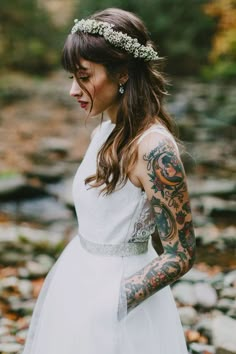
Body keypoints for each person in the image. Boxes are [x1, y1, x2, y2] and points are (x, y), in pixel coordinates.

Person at [22, 7, 196, 354]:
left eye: (84, 76)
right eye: (72, 76)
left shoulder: (154, 149)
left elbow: (181, 254)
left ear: (122, 74)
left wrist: (112, 302)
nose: (74, 89)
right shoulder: (105, 131)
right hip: (79, 277)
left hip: (119, 298)